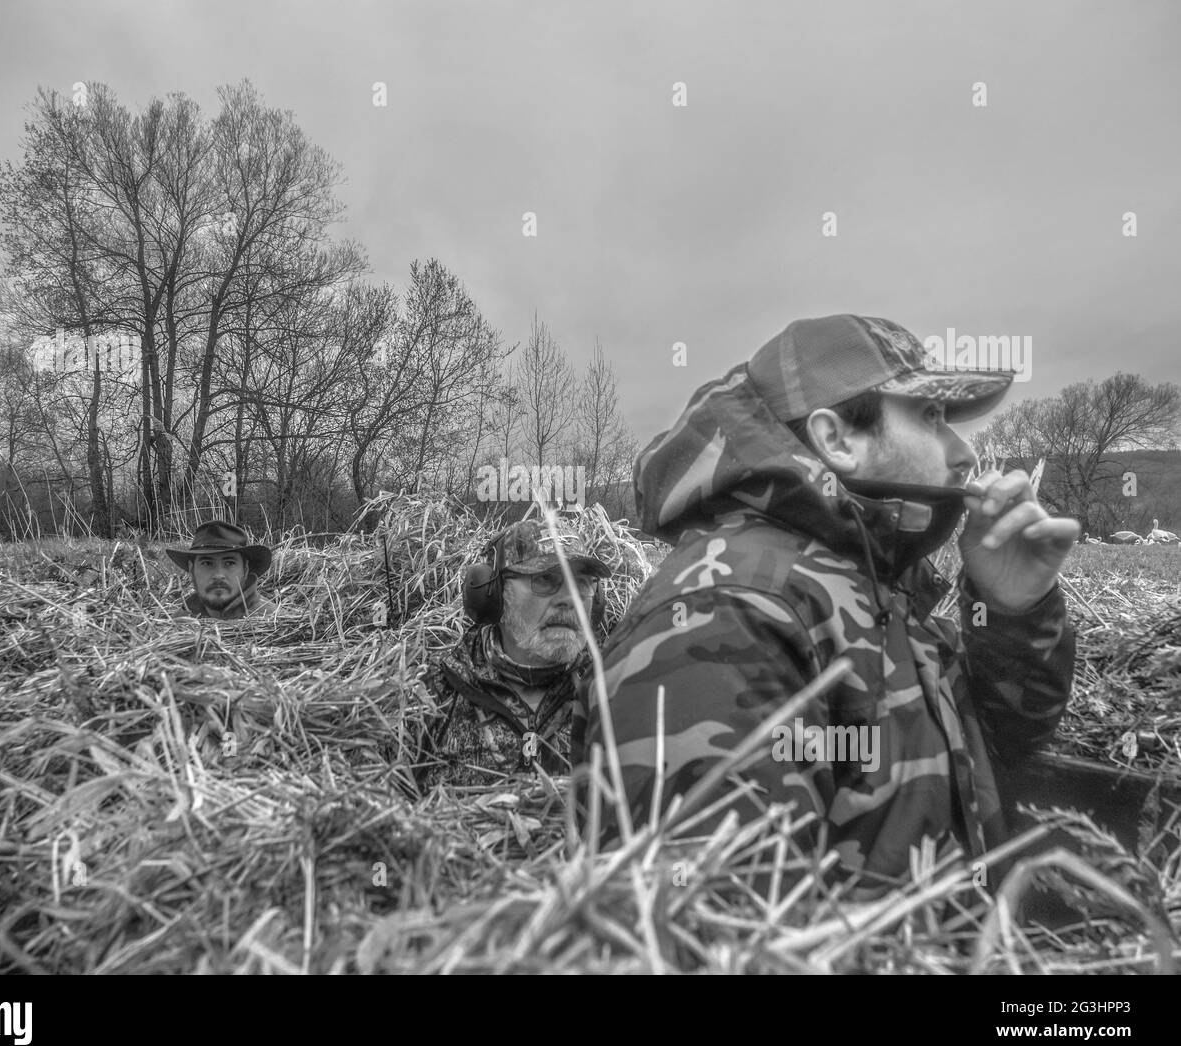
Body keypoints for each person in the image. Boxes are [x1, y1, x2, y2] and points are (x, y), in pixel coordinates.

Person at [578, 314, 1077, 894]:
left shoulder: (875, 585)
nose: (964, 453)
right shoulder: (731, 613)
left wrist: (1012, 607)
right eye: (932, 417)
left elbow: (1001, 748)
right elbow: (716, 931)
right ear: (836, 439)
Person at [418, 519, 612, 790]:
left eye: (582, 583)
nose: (570, 599)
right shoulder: (431, 698)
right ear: (493, 593)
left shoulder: (613, 695)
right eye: (546, 579)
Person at [167, 520, 279, 620]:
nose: (218, 575)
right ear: (192, 569)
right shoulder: (178, 622)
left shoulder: (275, 621)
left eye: (229, 563)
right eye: (207, 563)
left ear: (245, 569)